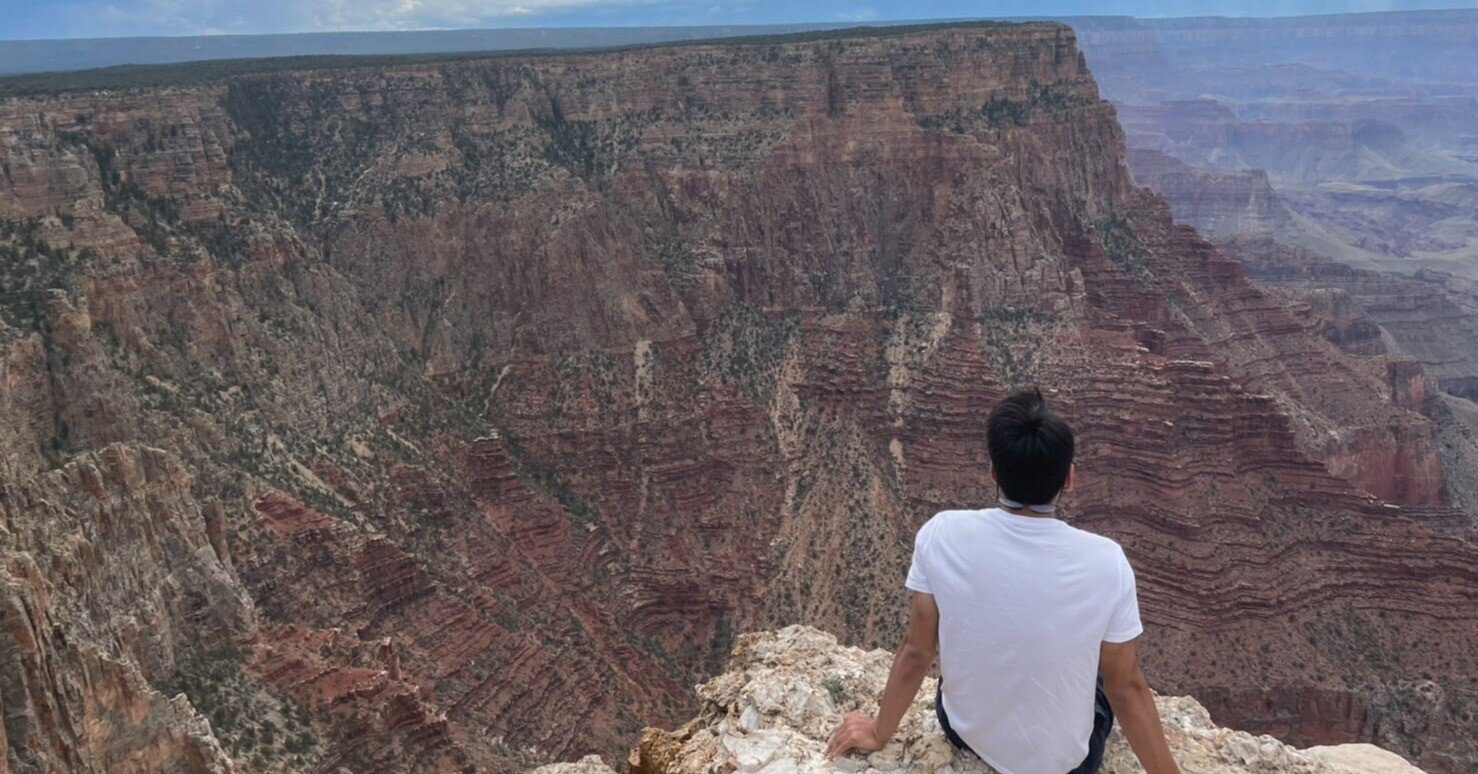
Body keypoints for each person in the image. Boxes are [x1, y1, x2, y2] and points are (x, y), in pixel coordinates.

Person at [826, 388, 1180, 774]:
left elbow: (917, 650)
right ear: (1070, 477)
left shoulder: (941, 533)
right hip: (1067, 764)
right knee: (1100, 672)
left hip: (964, 730)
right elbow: (1125, 687)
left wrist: (880, 731)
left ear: (993, 470)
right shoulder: (1106, 561)